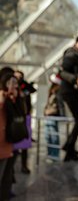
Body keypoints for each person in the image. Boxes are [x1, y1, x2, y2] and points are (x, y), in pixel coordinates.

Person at [58, 36, 78, 162]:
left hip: (74, 92)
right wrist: (75, 79)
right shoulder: (72, 54)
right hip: (68, 91)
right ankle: (69, 149)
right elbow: (62, 72)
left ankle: (69, 146)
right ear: (77, 43)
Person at [0, 68, 19, 201]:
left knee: (5, 179)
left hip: (8, 144)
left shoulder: (12, 99)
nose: (14, 85)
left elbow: (19, 116)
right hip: (2, 145)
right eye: (11, 82)